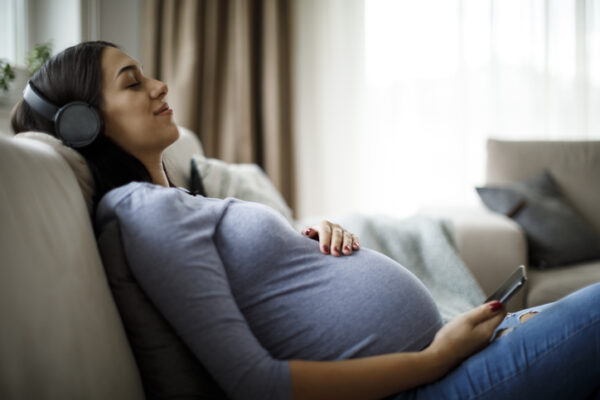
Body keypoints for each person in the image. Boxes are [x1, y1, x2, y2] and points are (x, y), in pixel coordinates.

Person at [11, 41, 600, 400]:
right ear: (82, 124)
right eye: (133, 83)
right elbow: (256, 385)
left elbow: (263, 286)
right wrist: (435, 359)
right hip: (433, 383)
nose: (160, 86)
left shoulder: (181, 199)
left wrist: (300, 242)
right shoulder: (143, 213)